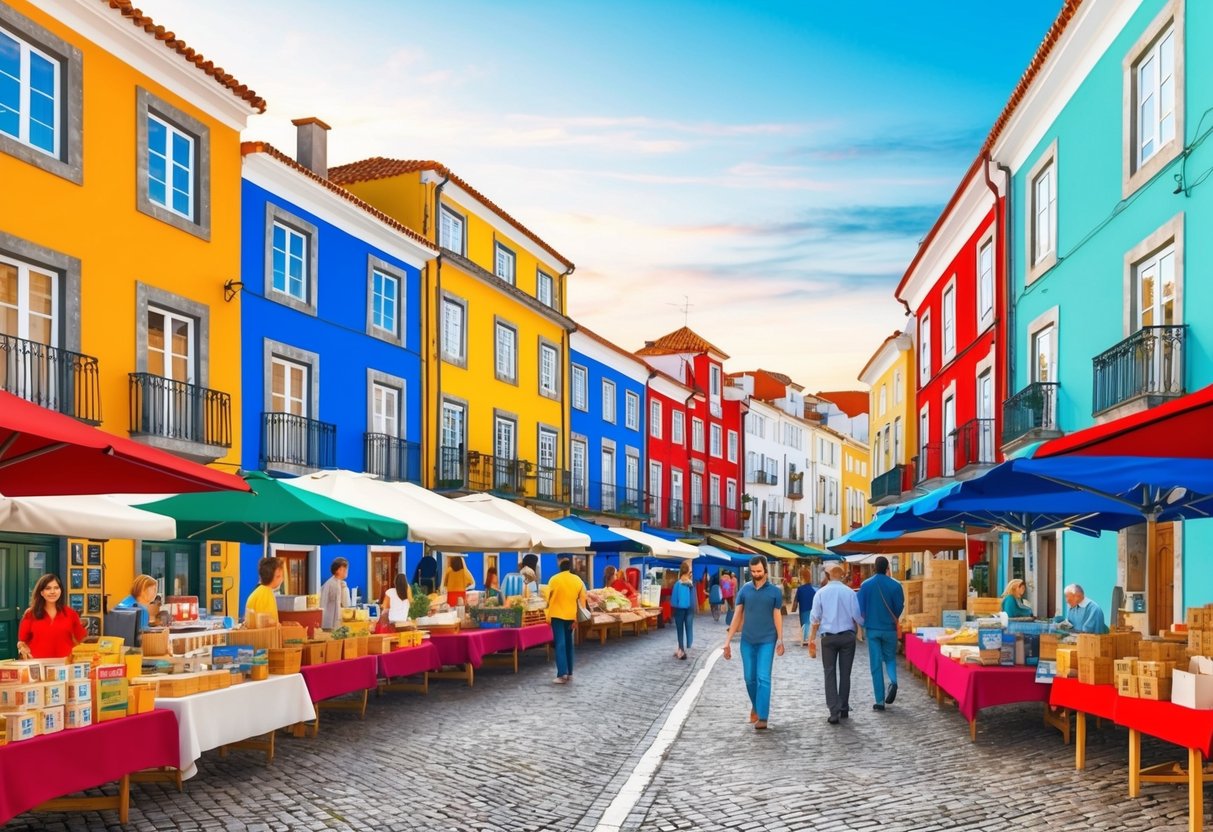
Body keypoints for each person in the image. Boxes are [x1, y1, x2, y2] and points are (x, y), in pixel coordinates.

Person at [721, 556, 785, 730]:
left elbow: (777, 615)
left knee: (763, 677)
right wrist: (727, 641)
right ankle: (756, 706)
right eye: (753, 571)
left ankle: (763, 717)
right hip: (747, 641)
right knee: (750, 678)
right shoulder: (744, 590)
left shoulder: (775, 592)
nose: (756, 574)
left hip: (767, 640)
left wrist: (780, 638)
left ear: (765, 570)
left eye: (759, 571)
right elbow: (737, 615)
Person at [808, 562, 864, 725]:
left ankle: (833, 711)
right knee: (845, 673)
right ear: (842, 577)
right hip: (847, 637)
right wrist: (862, 624)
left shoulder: (821, 593)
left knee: (829, 673)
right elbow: (857, 616)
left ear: (829, 576)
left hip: (828, 638)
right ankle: (844, 707)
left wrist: (812, 636)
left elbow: (814, 617)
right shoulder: (850, 593)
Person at [856, 556, 904, 712]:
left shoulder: (865, 585)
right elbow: (899, 607)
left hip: (873, 629)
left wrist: (864, 623)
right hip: (889, 629)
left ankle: (880, 701)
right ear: (887, 567)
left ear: (874, 567)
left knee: (875, 664)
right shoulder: (896, 586)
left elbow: (860, 608)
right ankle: (893, 681)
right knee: (890, 658)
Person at [17, 573, 86, 659]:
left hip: (64, 665)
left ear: (60, 591)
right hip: (38, 665)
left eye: (56, 588)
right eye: (48, 588)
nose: (53, 592)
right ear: (41, 592)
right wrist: (22, 648)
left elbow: (80, 639)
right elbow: (22, 640)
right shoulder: (30, 614)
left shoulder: (70, 613)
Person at [546, 558, 587, 684]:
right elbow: (582, 602)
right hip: (571, 617)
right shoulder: (578, 581)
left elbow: (547, 598)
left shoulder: (553, 579)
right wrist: (577, 619)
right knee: (569, 644)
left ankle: (561, 674)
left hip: (557, 615)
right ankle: (569, 672)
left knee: (560, 644)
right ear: (570, 567)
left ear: (560, 567)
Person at [245, 556, 284, 626]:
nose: (282, 579)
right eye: (281, 576)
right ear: (276, 576)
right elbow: (265, 624)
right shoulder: (266, 594)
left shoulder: (258, 592)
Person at [670, 560, 696, 660]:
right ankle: (689, 645)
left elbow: (674, 600)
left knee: (680, 630)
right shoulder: (690, 584)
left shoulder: (677, 584)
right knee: (689, 627)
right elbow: (692, 598)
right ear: (688, 572)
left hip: (679, 610)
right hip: (689, 609)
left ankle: (681, 649)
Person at [320, 557, 350, 630]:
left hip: (331, 623)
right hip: (331, 624)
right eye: (343, 569)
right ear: (337, 570)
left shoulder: (339, 583)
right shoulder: (333, 584)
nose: (346, 571)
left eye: (346, 569)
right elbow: (344, 604)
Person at [791, 566, 817, 646]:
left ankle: (805, 639)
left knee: (804, 624)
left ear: (802, 577)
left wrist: (793, 609)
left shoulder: (800, 589)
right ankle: (809, 638)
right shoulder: (814, 588)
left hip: (803, 609)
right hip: (813, 609)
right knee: (810, 623)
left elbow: (796, 601)